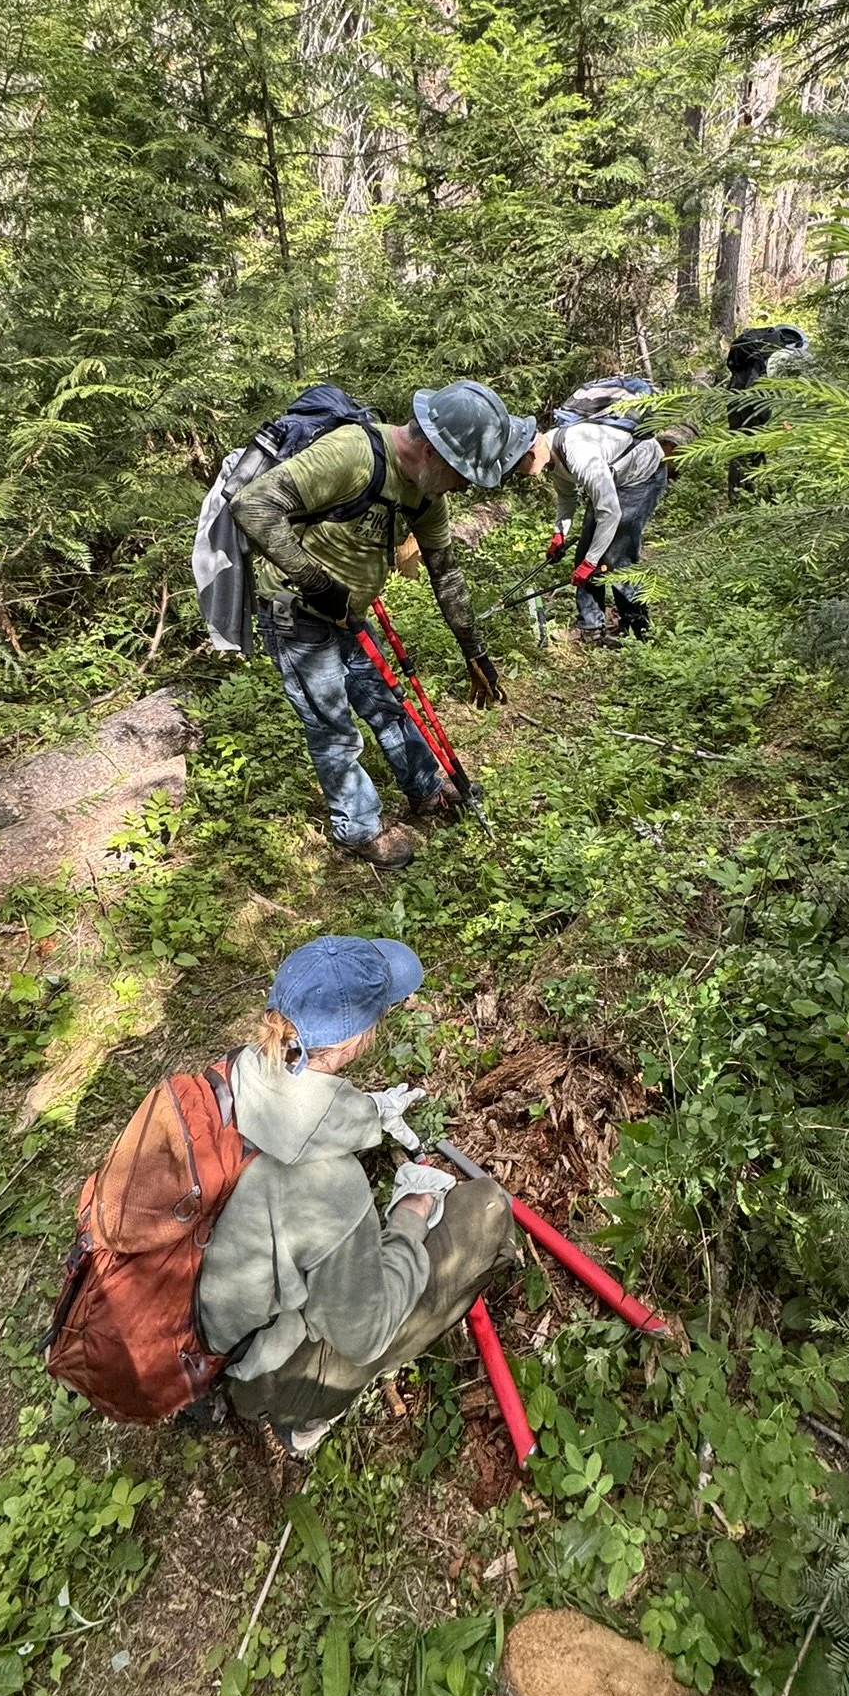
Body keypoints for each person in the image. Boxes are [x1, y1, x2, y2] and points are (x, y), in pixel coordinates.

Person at [197, 934, 517, 1460]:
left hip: (195, 1325)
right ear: (353, 1044)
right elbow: (364, 1332)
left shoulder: (227, 1076)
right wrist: (410, 1217)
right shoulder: (331, 1188)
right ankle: (303, 1413)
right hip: (259, 1370)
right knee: (485, 1210)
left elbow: (294, 1113)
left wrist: (369, 1111)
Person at [229, 382, 536, 869]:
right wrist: (314, 581)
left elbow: (445, 572)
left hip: (349, 613)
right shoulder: (352, 453)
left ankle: (425, 787)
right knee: (332, 726)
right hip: (296, 610)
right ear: (433, 450)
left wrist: (474, 651)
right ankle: (358, 830)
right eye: (462, 475)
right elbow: (252, 506)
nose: (463, 486)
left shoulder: (427, 493)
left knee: (387, 704)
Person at [543, 413, 697, 645]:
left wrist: (592, 563)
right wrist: (559, 533)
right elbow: (566, 497)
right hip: (612, 480)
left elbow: (611, 513)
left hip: (642, 478)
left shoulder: (578, 454)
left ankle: (637, 629)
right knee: (586, 550)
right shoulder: (552, 453)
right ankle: (590, 626)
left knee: (617, 558)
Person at [724, 324, 805, 501]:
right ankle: (746, 495)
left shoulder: (757, 346)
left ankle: (737, 494)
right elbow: (761, 387)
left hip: (734, 397)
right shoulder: (775, 355)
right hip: (752, 404)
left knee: (738, 447)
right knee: (751, 448)